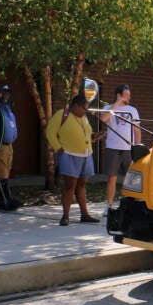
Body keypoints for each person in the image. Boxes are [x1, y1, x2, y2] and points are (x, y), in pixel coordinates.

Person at [45, 94, 102, 226]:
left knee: (81, 185)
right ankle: (65, 216)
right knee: (70, 186)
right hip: (69, 155)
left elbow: (86, 135)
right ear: (75, 106)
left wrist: (94, 137)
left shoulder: (83, 117)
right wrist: (58, 148)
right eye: (84, 108)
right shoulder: (62, 114)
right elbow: (50, 132)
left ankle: (85, 215)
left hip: (86, 155)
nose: (85, 111)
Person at [99, 84, 140, 208]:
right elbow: (103, 119)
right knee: (112, 177)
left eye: (129, 95)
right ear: (119, 95)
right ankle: (109, 205)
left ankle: (132, 204)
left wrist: (137, 147)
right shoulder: (108, 108)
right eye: (126, 95)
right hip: (113, 148)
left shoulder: (132, 110)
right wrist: (117, 104)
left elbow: (137, 129)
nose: (129, 97)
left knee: (131, 178)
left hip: (128, 148)